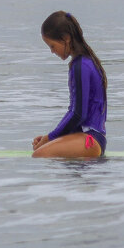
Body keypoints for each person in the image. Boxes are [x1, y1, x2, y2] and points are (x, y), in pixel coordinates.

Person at [32, 11, 108, 160]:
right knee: (45, 152)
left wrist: (51, 137)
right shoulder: (84, 62)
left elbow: (78, 114)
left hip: (90, 139)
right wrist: (52, 138)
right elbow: (74, 111)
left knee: (39, 155)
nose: (52, 51)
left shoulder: (81, 66)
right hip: (86, 137)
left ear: (66, 39)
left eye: (52, 46)